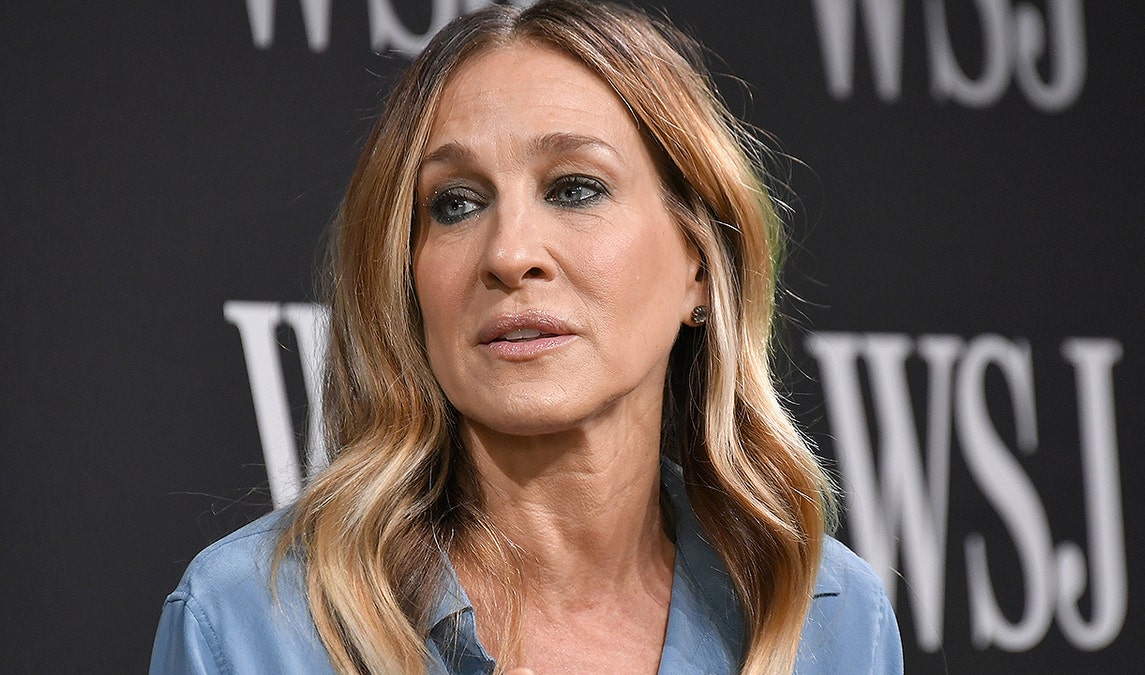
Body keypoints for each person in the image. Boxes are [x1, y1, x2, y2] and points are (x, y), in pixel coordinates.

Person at [150, 1, 903, 673]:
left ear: (699, 266)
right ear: (405, 276)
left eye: (574, 188)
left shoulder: (827, 620)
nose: (510, 253)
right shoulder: (248, 624)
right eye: (456, 203)